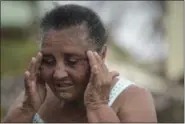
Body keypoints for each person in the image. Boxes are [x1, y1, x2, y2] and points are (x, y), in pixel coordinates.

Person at [3, 4, 157, 123]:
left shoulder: (132, 98)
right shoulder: (36, 96)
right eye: (48, 61)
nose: (58, 74)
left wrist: (98, 106)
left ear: (102, 55)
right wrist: (26, 110)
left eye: (72, 61)